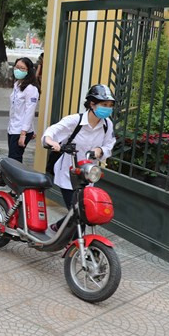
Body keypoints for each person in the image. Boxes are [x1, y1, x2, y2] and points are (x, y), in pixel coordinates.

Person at [42, 84, 117, 228]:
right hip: (68, 174)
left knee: (80, 213)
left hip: (88, 176)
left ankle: (57, 228)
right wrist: (51, 142)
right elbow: (52, 131)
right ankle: (76, 247)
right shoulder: (74, 121)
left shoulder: (107, 124)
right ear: (92, 103)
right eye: (104, 104)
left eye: (110, 105)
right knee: (79, 215)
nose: (107, 108)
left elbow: (110, 144)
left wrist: (100, 150)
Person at [7, 57, 39, 164]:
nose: (18, 70)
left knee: (14, 159)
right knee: (12, 157)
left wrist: (23, 134)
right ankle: (8, 177)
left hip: (20, 131)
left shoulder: (31, 89)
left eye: (22, 68)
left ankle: (13, 179)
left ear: (28, 71)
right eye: (17, 67)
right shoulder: (17, 84)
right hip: (12, 128)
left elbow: (30, 111)